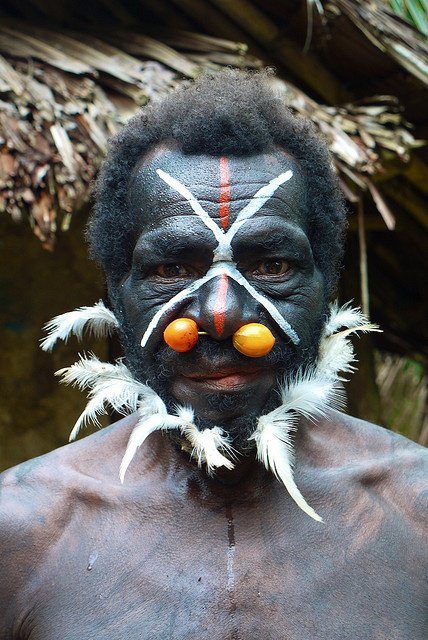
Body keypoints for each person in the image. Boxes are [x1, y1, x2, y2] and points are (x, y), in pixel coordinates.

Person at [0, 70, 426, 640]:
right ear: (116, 298)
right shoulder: (21, 535)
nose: (221, 314)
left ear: (327, 288)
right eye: (172, 268)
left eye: (271, 265)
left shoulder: (416, 513)